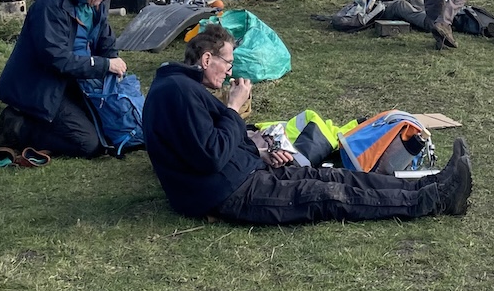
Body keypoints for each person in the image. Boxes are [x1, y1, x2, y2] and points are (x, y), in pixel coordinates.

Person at [142, 27, 473, 223]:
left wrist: (257, 151)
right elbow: (211, 155)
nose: (230, 71)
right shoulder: (178, 93)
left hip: (244, 173)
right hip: (230, 192)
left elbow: (207, 144)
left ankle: (432, 183)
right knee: (331, 195)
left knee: (336, 176)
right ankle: (435, 200)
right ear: (207, 59)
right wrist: (232, 107)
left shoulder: (181, 88)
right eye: (227, 62)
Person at [0, 0, 128, 157]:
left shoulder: (96, 4)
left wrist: (112, 61)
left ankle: (45, 122)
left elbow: (105, 40)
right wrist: (104, 65)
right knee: (88, 145)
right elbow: (56, 59)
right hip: (42, 86)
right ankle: (18, 128)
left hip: (74, 79)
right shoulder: (51, 6)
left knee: (107, 132)